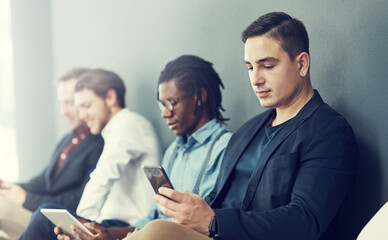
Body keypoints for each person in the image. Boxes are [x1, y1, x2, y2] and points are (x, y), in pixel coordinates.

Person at [114, 12, 358, 240]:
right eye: (250, 67)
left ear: (302, 64)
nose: (256, 79)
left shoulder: (328, 131)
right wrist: (191, 212)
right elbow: (218, 199)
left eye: (268, 66)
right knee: (152, 229)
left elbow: (305, 220)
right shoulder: (247, 132)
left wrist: (213, 221)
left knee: (156, 231)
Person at [23, 55, 233, 240]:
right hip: (146, 230)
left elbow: (207, 222)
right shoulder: (174, 152)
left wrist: (90, 223)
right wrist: (97, 232)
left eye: (171, 103)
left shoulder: (226, 147)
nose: (164, 113)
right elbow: (150, 220)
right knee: (51, 220)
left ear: (200, 97)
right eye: (161, 105)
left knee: (44, 215)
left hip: (169, 234)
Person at [18, 68, 161, 240]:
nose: (83, 115)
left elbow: (104, 176)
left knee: (43, 217)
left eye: (86, 106)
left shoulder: (129, 123)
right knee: (48, 219)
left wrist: (80, 224)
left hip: (128, 225)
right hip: (109, 221)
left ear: (110, 97)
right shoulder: (111, 132)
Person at [0, 68, 104, 239]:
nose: (63, 111)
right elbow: (44, 181)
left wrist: (26, 199)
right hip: (38, 211)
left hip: (53, 220)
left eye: (69, 103)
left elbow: (81, 201)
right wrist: (8, 187)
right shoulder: (68, 139)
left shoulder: (98, 143)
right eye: (62, 103)